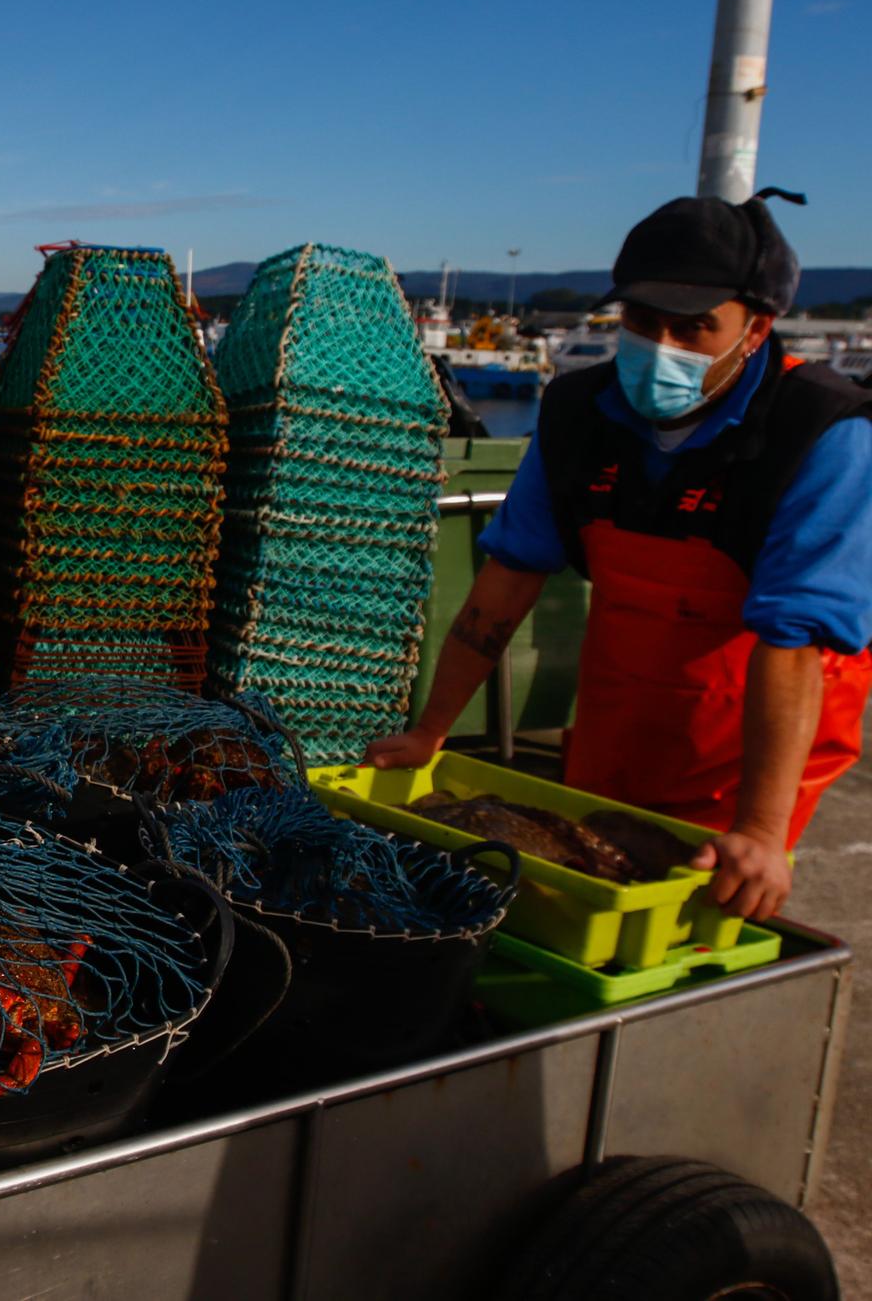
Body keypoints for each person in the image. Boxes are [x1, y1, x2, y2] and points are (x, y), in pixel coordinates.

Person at [369, 192, 872, 925]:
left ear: (756, 328)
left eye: (694, 327)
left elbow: (793, 637)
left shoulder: (822, 432)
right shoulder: (579, 411)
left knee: (700, 916)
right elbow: (506, 578)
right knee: (570, 893)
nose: (661, 344)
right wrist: (431, 729)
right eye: (641, 321)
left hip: (751, 737)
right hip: (617, 711)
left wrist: (762, 830)